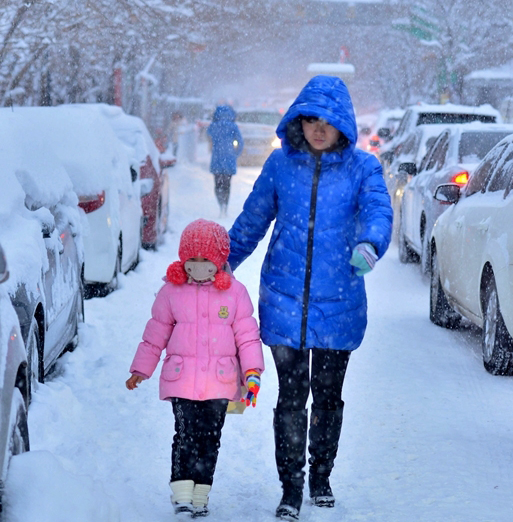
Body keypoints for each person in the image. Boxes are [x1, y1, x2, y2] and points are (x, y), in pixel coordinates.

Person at [226, 75, 392, 521]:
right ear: (299, 120)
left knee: (329, 398)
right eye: (311, 119)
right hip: (284, 300)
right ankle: (290, 486)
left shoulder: (363, 167)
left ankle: (321, 475)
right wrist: (218, 264)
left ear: (344, 126)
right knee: (291, 398)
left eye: (329, 121)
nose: (319, 128)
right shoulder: (281, 166)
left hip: (339, 303)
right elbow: (251, 221)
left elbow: (378, 208)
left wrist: (370, 243)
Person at [126, 219, 265, 519]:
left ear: (219, 260)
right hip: (182, 380)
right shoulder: (172, 291)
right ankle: (182, 494)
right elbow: (155, 333)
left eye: (206, 260)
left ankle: (201, 494)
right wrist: (141, 369)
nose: (199, 266)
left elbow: (247, 335)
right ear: (183, 259)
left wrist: (252, 372)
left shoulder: (235, 294)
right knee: (185, 433)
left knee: (210, 438)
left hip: (220, 381)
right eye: (193, 260)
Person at [206, 104, 244, 217]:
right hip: (229, 160)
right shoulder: (233, 127)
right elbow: (240, 143)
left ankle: (220, 203)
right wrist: (235, 154)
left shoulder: (213, 126)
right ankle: (225, 206)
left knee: (217, 184)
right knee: (227, 185)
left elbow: (208, 137)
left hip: (216, 160)